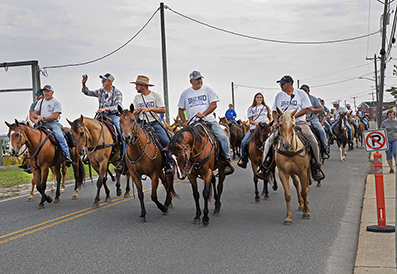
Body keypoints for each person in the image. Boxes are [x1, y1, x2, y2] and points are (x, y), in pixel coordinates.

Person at [256, 75, 325, 182]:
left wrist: (293, 117)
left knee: (313, 141)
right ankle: (265, 168)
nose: (280, 86)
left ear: (290, 84)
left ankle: (317, 167)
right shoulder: (279, 95)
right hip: (283, 124)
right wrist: (275, 121)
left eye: (282, 84)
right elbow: (274, 110)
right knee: (268, 142)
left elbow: (306, 109)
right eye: (280, 84)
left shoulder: (301, 93)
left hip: (299, 123)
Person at [177, 71, 234, 175]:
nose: (199, 80)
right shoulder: (185, 94)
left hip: (209, 121)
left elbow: (214, 105)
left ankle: (226, 160)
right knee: (180, 141)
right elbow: (180, 109)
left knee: (223, 137)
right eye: (197, 79)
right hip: (193, 123)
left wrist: (203, 114)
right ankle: (182, 164)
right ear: (191, 81)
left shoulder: (208, 90)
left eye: (200, 78)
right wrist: (184, 122)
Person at [81, 73, 126, 171]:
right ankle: (89, 153)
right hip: (101, 116)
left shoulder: (117, 92)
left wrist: (106, 109)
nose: (102, 82)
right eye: (102, 80)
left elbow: (118, 106)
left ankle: (124, 157)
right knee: (90, 131)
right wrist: (84, 84)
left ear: (109, 82)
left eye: (104, 80)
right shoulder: (100, 91)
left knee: (121, 132)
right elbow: (87, 92)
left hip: (113, 115)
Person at [131, 75, 173, 175]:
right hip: (141, 123)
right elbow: (133, 113)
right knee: (129, 140)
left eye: (137, 85)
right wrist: (136, 112)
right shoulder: (137, 98)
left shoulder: (155, 96)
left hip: (154, 123)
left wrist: (149, 109)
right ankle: (127, 164)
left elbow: (163, 109)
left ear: (143, 86)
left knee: (165, 140)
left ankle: (169, 163)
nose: (135, 87)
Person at [32, 85, 73, 166]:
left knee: (60, 137)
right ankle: (29, 161)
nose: (46, 93)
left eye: (47, 91)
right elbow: (34, 114)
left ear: (52, 92)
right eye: (44, 91)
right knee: (29, 137)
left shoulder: (56, 103)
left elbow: (55, 116)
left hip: (53, 123)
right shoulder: (40, 102)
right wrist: (38, 117)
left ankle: (66, 156)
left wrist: (43, 118)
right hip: (41, 124)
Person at [237, 93, 271, 168]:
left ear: (262, 99)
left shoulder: (266, 108)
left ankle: (274, 158)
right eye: (257, 97)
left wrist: (269, 123)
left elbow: (270, 117)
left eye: (260, 97)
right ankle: (244, 159)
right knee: (243, 142)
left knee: (273, 140)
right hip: (254, 128)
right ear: (255, 99)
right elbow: (250, 120)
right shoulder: (251, 109)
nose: (259, 99)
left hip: (265, 128)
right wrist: (256, 123)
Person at [19, 89, 46, 173]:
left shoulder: (49, 103)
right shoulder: (33, 105)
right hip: (37, 124)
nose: (37, 96)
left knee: (60, 136)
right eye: (36, 95)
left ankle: (65, 155)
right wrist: (36, 122)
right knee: (29, 141)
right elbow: (31, 117)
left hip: (49, 123)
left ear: (43, 95)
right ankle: (29, 163)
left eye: (38, 94)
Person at [300, 85, 329, 158]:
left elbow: (321, 110)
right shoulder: (299, 99)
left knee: (321, 130)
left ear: (308, 91)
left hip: (313, 118)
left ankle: (324, 149)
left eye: (304, 91)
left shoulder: (314, 99)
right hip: (302, 119)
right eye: (301, 91)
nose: (302, 93)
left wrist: (313, 109)